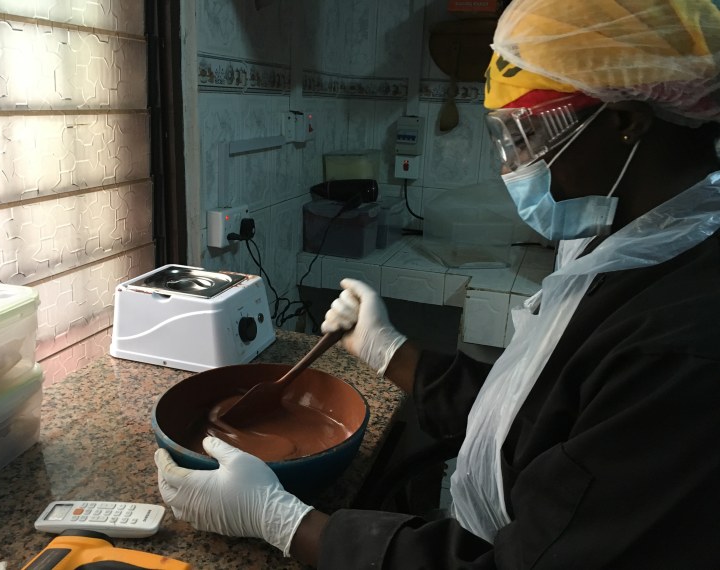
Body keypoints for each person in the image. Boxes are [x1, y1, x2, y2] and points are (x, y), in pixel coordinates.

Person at [154, 1, 720, 567]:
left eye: (527, 136)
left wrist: (279, 520)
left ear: (626, 120)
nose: (514, 166)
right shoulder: (626, 240)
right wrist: (387, 349)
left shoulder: (683, 340)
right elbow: (537, 411)